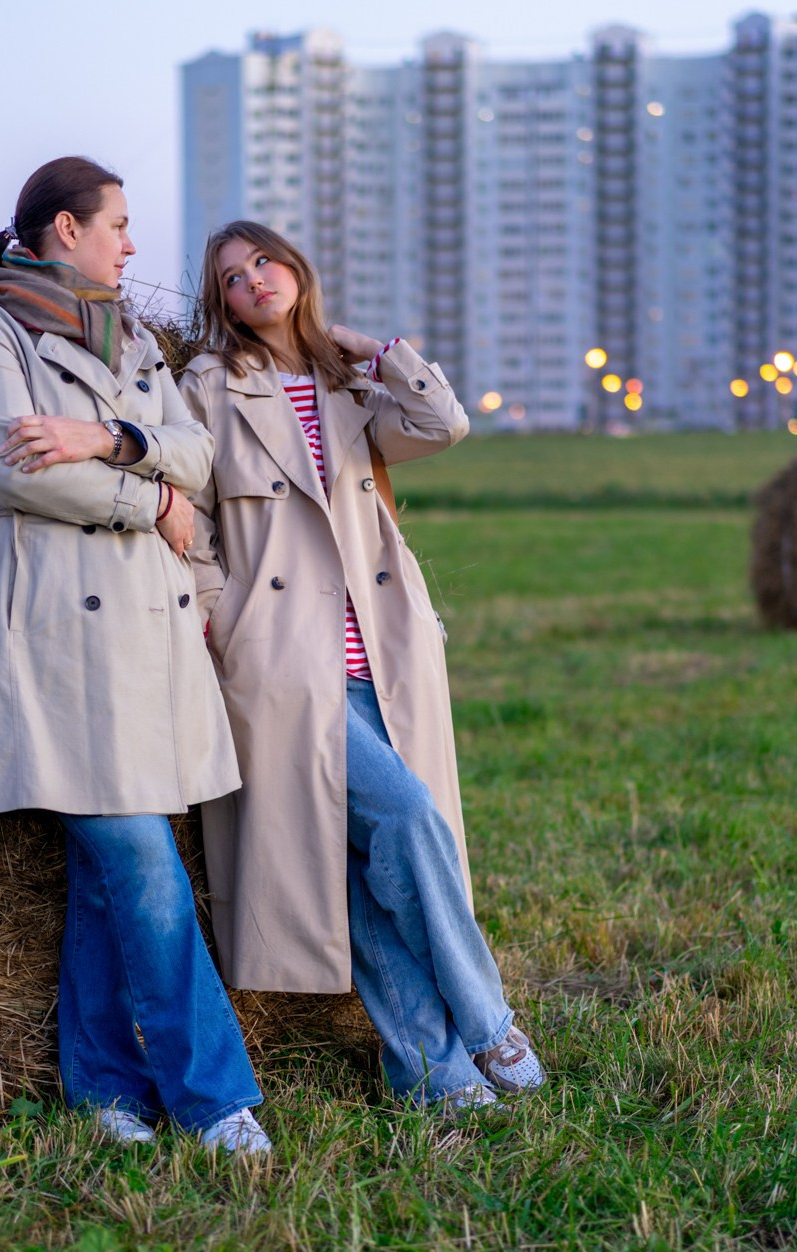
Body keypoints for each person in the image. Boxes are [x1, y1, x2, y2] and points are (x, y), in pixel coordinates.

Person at [0, 159, 269, 1155]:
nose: (130, 244)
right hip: (44, 639)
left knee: (104, 874)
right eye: (116, 225)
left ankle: (103, 1090)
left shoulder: (138, 345)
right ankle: (213, 1098)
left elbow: (200, 456)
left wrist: (111, 439)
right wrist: (151, 499)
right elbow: (12, 466)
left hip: (142, 640)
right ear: (62, 229)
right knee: (142, 860)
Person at [179, 220, 545, 1113]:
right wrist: (217, 615)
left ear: (296, 269)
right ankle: (488, 1017)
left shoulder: (350, 381)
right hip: (284, 663)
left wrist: (374, 351)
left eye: (265, 262)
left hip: (380, 652)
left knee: (364, 865)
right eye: (233, 278)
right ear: (220, 303)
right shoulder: (210, 384)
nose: (255, 282)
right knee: (412, 821)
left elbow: (442, 423)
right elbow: (183, 510)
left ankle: (431, 1073)